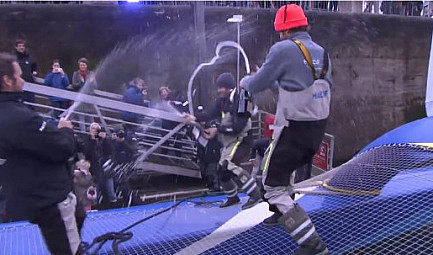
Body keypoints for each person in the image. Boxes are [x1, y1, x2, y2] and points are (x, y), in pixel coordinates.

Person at [241, 4, 332, 255]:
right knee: (286, 171)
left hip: (292, 128)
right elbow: (303, 86)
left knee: (272, 187)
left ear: (282, 30)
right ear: (305, 25)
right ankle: (281, 213)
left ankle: (311, 244)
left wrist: (245, 81)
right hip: (316, 129)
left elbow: (257, 84)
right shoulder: (321, 53)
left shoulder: (282, 49)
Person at [0, 53, 80, 255]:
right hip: (50, 199)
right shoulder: (17, 117)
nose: (23, 80)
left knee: (79, 214)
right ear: (6, 80)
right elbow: (62, 147)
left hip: (29, 195)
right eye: (18, 76)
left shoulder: (10, 112)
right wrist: (65, 130)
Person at [184, 73, 261, 210]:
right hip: (230, 141)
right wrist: (193, 117)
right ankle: (233, 197)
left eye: (222, 87)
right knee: (221, 171)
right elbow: (209, 113)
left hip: (242, 140)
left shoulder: (244, 99)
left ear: (230, 88)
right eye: (219, 87)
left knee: (228, 164)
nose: (219, 90)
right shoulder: (222, 101)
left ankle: (255, 195)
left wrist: (216, 129)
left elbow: (238, 127)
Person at [13, 39, 38, 105]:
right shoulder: (13, 58)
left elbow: (34, 66)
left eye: (23, 46)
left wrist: (34, 72)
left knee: (31, 104)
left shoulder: (29, 57)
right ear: (16, 47)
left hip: (29, 84)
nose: (21, 47)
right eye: (20, 46)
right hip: (18, 85)